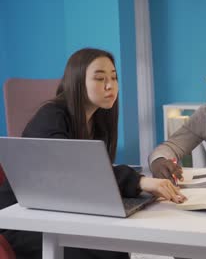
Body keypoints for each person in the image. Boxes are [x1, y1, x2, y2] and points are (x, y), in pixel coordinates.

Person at [0, 48, 186, 259]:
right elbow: (74, 169)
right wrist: (140, 181)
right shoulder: (51, 116)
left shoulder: (99, 120)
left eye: (114, 78)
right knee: (106, 252)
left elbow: (89, 179)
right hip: (21, 219)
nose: (110, 86)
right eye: (100, 79)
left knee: (123, 245)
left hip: (59, 209)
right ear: (78, 82)